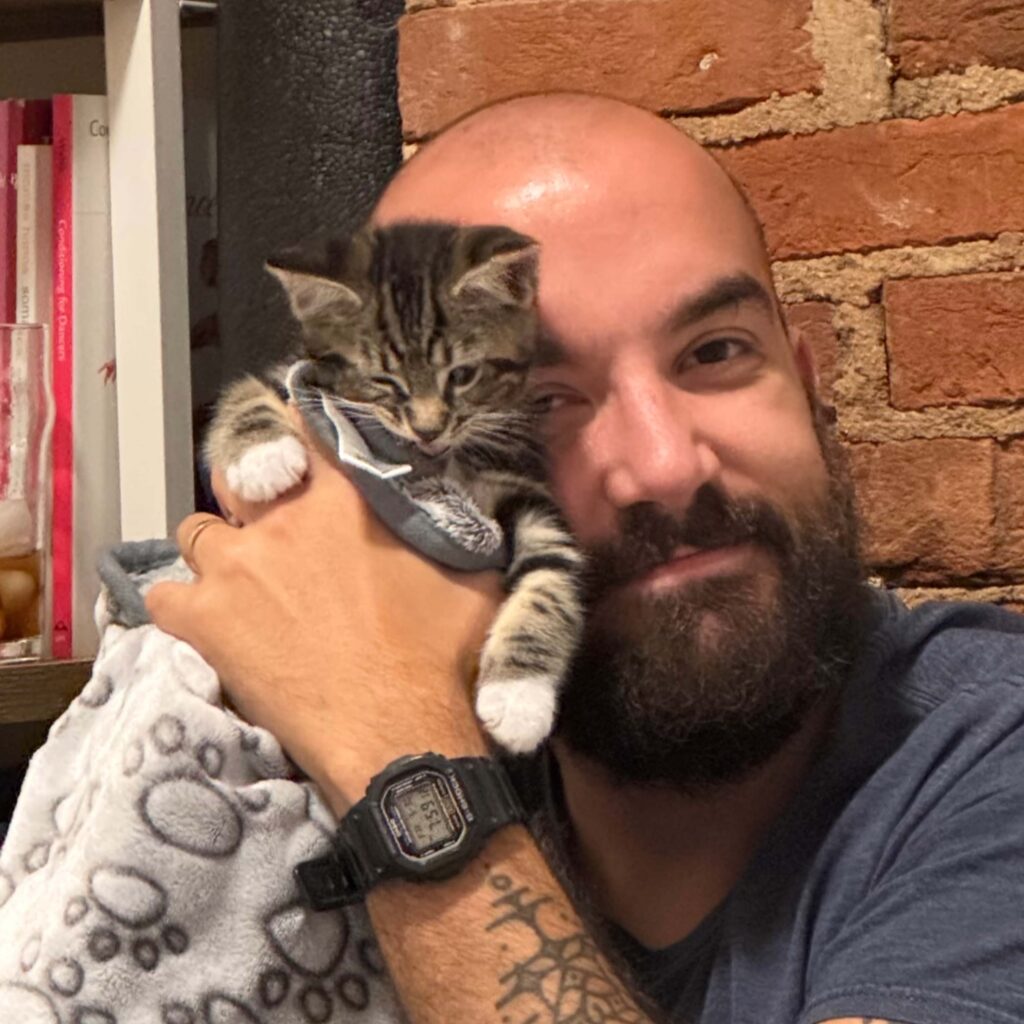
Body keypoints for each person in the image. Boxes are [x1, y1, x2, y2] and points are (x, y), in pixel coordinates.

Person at [147, 94, 1024, 1024]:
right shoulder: (270, 815)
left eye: (715, 351)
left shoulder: (989, 755)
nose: (664, 467)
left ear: (805, 383)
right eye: (541, 401)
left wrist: (392, 751)